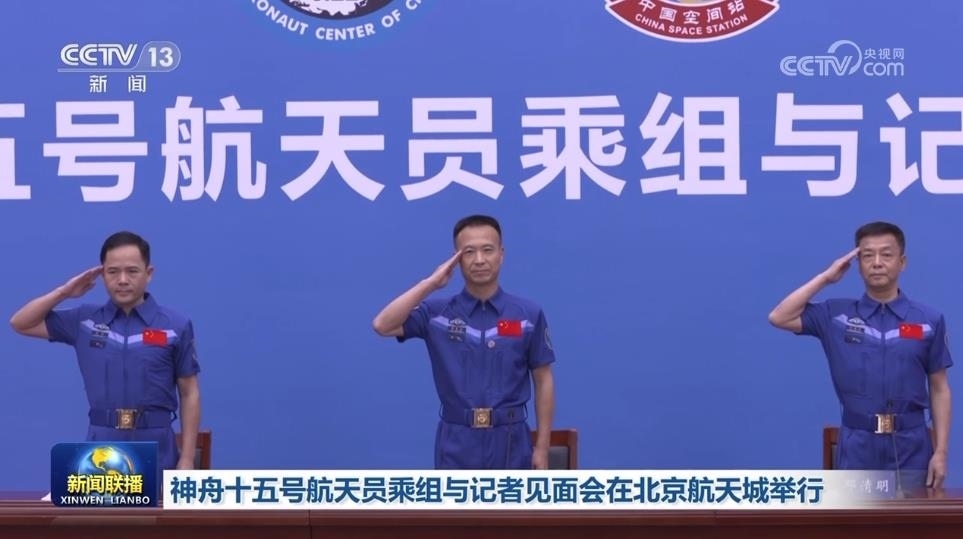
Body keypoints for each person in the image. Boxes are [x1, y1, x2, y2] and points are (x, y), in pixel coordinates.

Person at [768, 221, 952, 489]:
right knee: (857, 517)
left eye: (886, 254)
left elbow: (939, 388)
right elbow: (779, 317)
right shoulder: (836, 316)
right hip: (858, 447)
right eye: (867, 255)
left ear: (902, 262)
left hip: (912, 448)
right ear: (857, 264)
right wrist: (826, 277)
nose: (877, 263)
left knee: (913, 517)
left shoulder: (928, 320)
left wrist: (941, 451)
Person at [372, 215, 556, 469]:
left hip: (511, 440)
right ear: (456, 259)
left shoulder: (527, 315)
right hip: (456, 440)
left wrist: (543, 448)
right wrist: (431, 283)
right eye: (469, 252)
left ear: (501, 255)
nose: (479, 260)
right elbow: (382, 325)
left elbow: (543, 380)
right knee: (457, 499)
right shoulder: (437, 314)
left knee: (512, 499)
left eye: (487, 250)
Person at [9, 231, 201, 470]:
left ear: (149, 273)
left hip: (158, 445)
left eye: (132, 271)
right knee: (101, 495)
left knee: (155, 497)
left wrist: (187, 458)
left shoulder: (175, 325)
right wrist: (64, 292)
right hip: (102, 447)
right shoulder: (85, 321)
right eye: (113, 272)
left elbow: (189, 393)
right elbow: (20, 323)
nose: (122, 280)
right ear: (102, 275)